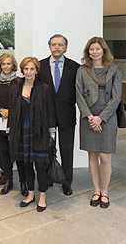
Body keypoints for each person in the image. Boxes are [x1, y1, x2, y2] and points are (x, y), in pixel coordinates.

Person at [76, 37, 121, 208]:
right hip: (88, 117)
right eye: (91, 50)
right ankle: (96, 190)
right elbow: (78, 95)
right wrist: (89, 117)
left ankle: (105, 192)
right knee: (93, 154)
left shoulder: (114, 70)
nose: (94, 52)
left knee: (105, 156)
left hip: (107, 118)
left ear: (104, 50)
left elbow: (117, 97)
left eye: (97, 49)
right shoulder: (82, 70)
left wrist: (101, 118)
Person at [8, 57, 56, 212]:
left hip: (39, 132)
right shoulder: (15, 87)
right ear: (22, 70)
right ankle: (30, 194)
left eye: (32, 69)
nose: (28, 72)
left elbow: (50, 111)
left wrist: (51, 132)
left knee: (40, 166)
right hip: (21, 132)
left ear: (36, 70)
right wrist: (11, 129)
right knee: (26, 164)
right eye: (26, 69)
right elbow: (12, 111)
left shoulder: (44, 88)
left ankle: (42, 195)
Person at [38, 34, 80, 196]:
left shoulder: (75, 67)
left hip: (66, 114)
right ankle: (48, 178)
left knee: (66, 149)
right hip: (46, 115)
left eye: (60, 45)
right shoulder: (40, 66)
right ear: (49, 46)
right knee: (48, 148)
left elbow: (79, 92)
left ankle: (66, 181)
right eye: (54, 44)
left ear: (65, 47)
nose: (56, 47)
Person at [0, 54, 27, 196]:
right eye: (4, 64)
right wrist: (1, 110)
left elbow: (23, 102)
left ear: (13, 65)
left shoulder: (19, 82)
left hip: (16, 124)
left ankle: (23, 182)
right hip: (1, 124)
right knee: (4, 154)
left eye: (9, 64)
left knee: (18, 154)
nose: (6, 67)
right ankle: (8, 181)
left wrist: (11, 112)